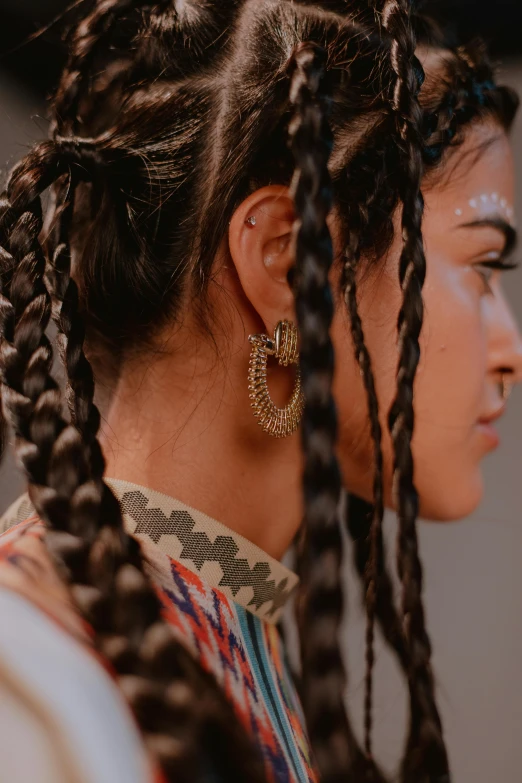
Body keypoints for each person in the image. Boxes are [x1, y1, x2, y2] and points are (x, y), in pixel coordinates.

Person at [0, 2, 520, 782]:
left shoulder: (239, 635)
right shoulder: (31, 683)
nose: (511, 349)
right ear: (284, 258)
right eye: (481, 267)